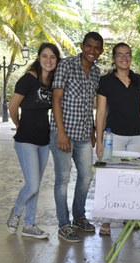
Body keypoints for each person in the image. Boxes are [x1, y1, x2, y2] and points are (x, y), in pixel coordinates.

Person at [50, 32, 104, 242]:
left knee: (86, 176)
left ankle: (79, 216)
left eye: (97, 48)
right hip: (63, 132)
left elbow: (90, 103)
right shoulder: (66, 65)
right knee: (63, 179)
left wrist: (91, 129)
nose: (92, 51)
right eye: (89, 46)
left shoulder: (97, 72)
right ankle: (63, 224)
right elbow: (56, 98)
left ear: (100, 51)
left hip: (83, 134)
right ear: (82, 46)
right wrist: (61, 132)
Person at [7, 43, 61, 239]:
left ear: (57, 60)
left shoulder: (53, 80)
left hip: (44, 140)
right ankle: (16, 212)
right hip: (26, 140)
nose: (48, 60)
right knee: (32, 185)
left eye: (53, 57)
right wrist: (19, 124)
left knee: (35, 186)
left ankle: (29, 225)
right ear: (38, 57)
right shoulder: (28, 80)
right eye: (45, 56)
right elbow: (12, 107)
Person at [95, 42, 140, 235]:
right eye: (120, 55)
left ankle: (130, 215)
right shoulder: (105, 81)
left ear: (131, 57)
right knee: (110, 177)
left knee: (134, 179)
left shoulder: (139, 80)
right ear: (114, 58)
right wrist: (99, 140)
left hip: (137, 136)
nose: (124, 58)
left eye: (127, 54)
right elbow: (101, 112)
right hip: (114, 136)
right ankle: (106, 221)